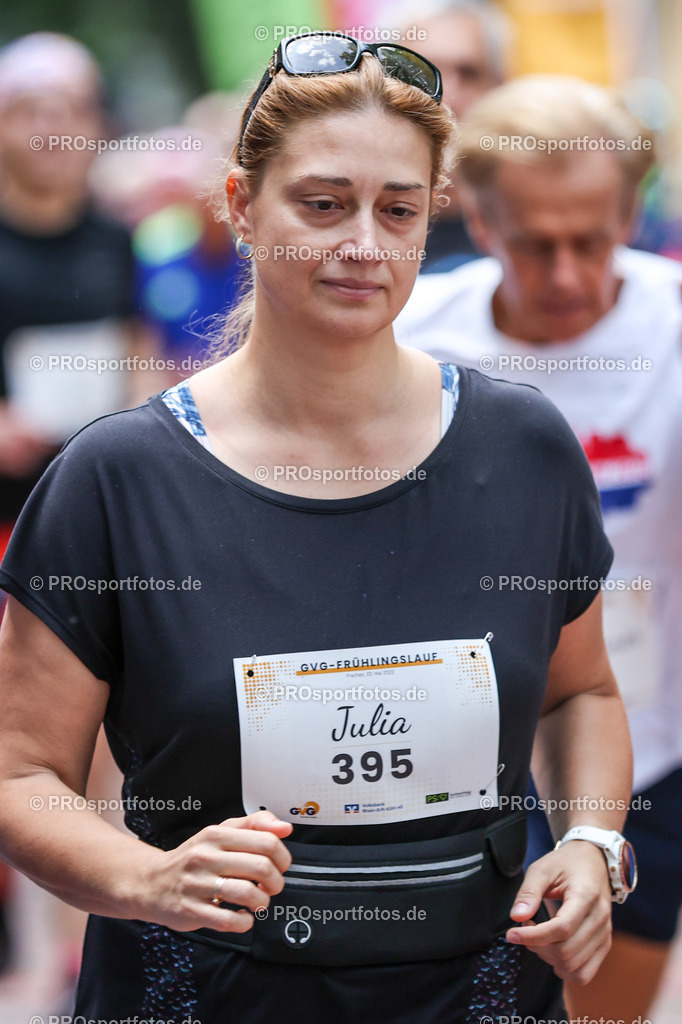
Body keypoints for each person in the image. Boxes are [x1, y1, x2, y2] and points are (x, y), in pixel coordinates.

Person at [0, 34, 635, 1022]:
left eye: (398, 210)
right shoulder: (117, 478)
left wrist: (593, 841)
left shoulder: (523, 448)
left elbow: (580, 690)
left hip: (473, 993)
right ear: (242, 206)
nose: (364, 244)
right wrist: (144, 878)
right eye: (324, 204)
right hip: (202, 995)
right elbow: (21, 771)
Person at [395, 74, 682, 1022]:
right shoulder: (413, 335)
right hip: (454, 743)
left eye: (592, 241)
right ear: (479, 220)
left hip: (648, 740)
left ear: (632, 216)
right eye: (534, 244)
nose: (565, 277)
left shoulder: (674, 325)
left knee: (603, 1006)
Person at [393, 0, 513, 271]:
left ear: (499, 87)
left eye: (468, 73)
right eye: (421, 72)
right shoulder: (358, 218)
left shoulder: (532, 218)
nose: (446, 98)